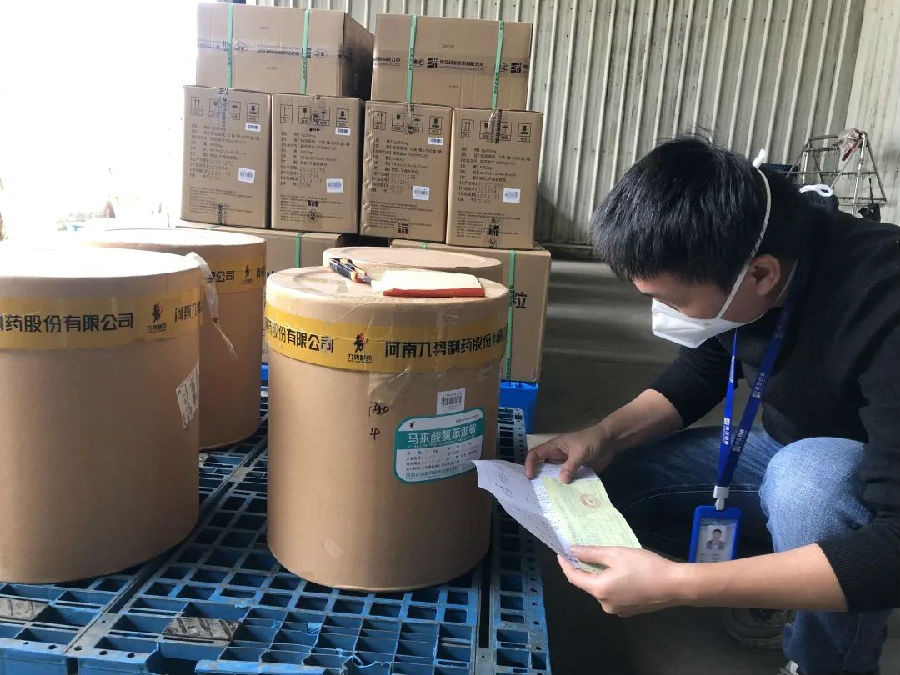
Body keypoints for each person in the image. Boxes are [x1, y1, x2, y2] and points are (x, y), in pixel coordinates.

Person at [525, 136, 899, 675]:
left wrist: (679, 585)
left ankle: (828, 659)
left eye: (673, 301)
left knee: (810, 481)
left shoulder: (884, 303)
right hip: (782, 446)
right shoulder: (746, 245)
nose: (664, 314)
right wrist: (604, 435)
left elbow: (894, 548)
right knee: (600, 489)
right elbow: (703, 367)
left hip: (854, 477)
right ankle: (787, 573)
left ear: (762, 274)